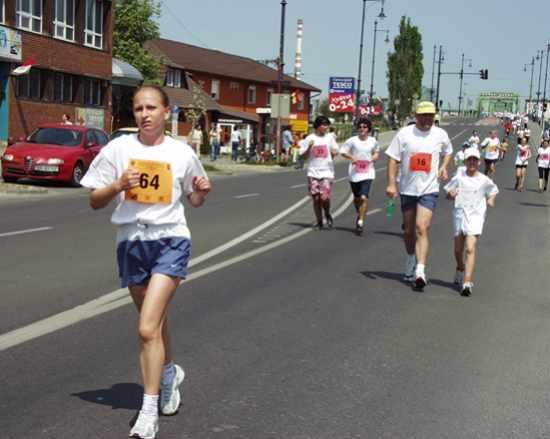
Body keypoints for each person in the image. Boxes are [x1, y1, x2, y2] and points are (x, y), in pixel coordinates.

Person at [79, 85, 211, 439]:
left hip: (171, 239)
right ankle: (169, 374)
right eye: (138, 109)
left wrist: (201, 192)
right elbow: (95, 200)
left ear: (166, 112)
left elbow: (194, 198)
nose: (144, 114)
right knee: (154, 324)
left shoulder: (181, 153)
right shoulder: (119, 149)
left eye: (151, 107)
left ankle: (148, 410)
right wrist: (119, 184)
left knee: (146, 328)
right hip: (132, 242)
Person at [385, 101, 453, 289]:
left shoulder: (440, 134)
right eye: (424, 115)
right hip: (408, 189)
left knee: (421, 228)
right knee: (408, 231)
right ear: (416, 116)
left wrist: (444, 166)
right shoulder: (405, 134)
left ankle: (420, 271)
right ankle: (410, 260)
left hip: (429, 189)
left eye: (431, 115)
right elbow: (392, 158)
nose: (428, 118)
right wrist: (392, 184)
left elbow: (448, 152)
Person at [444, 148, 498, 296]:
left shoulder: (484, 180)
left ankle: (467, 282)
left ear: (479, 162)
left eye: (475, 159)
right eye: (469, 159)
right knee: (458, 250)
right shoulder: (459, 178)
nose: (472, 162)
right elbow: (447, 194)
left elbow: (493, 190)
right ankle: (460, 267)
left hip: (475, 216)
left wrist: (491, 199)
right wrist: (451, 193)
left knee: (470, 248)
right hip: (460, 214)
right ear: (465, 161)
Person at [340, 117, 379, 235]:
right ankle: (360, 214)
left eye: (365, 127)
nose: (362, 129)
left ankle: (361, 222)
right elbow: (343, 151)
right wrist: (351, 157)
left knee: (363, 198)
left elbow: (376, 151)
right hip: (354, 173)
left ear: (368, 129)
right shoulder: (352, 140)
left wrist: (375, 156)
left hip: (368, 172)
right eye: (360, 127)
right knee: (357, 199)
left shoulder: (373, 141)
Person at [299, 115, 339, 230]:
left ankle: (327, 213)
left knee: (324, 198)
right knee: (316, 198)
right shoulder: (309, 139)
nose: (325, 127)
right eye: (323, 125)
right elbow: (304, 157)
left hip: (327, 171)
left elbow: (335, 149)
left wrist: (335, 151)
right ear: (317, 125)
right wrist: (309, 147)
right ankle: (319, 221)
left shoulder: (329, 137)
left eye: (327, 125)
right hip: (313, 171)